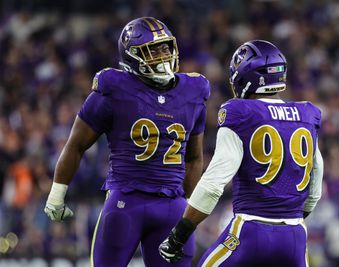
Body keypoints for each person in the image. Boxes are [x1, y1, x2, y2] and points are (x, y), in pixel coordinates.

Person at [44, 17, 210, 267]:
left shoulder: (194, 90)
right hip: (126, 201)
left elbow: (194, 158)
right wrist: (56, 194)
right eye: (152, 50)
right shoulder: (115, 88)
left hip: (171, 206)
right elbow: (76, 145)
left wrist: (189, 204)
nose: (163, 55)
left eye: (165, 47)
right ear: (132, 55)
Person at [159, 40, 324, 267]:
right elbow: (314, 190)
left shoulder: (240, 112)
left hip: (251, 231)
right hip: (295, 237)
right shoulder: (308, 114)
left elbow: (213, 183)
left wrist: (179, 234)